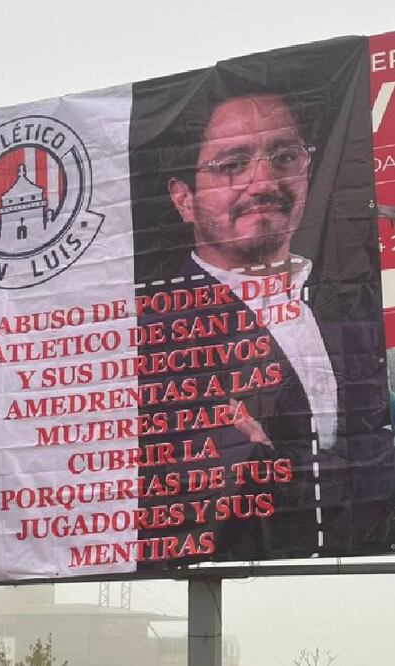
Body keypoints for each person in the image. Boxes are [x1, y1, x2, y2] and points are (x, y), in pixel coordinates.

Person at [138, 85, 392, 561]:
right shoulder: (154, 333)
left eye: (284, 157)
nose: (263, 183)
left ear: (308, 170)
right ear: (184, 198)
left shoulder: (352, 309)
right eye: (232, 164)